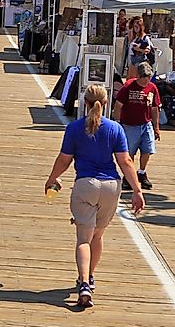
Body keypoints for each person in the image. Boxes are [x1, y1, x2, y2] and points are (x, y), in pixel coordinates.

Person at [44, 84, 145, 309]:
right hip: (111, 186)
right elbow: (125, 161)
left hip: (85, 185)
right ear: (106, 102)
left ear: (85, 101)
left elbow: (64, 159)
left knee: (83, 240)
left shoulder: (74, 128)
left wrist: (52, 179)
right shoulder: (115, 129)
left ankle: (84, 286)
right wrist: (137, 190)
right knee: (97, 237)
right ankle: (89, 277)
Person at [113, 63, 162, 190]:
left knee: (148, 149)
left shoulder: (152, 88)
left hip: (146, 123)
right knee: (130, 151)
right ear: (138, 76)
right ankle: (129, 176)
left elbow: (155, 108)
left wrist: (156, 127)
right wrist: (118, 123)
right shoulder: (128, 87)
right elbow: (118, 105)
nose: (146, 80)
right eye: (144, 77)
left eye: (148, 77)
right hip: (130, 124)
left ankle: (141, 172)